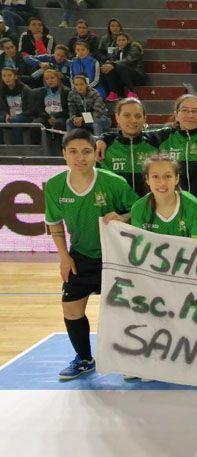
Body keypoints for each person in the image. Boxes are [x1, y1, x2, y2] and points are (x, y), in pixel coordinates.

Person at [44, 128, 138, 380]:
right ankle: (84, 359)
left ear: (95, 153)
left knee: (124, 310)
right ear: (64, 154)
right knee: (71, 309)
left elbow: (138, 212)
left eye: (86, 151)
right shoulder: (54, 186)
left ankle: (131, 361)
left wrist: (123, 217)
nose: (80, 157)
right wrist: (64, 256)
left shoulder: (114, 182)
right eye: (73, 152)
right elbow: (54, 223)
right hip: (80, 256)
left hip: (116, 258)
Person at [131, 153, 197, 238]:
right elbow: (139, 245)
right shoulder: (138, 209)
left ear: (176, 178)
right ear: (147, 179)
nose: (162, 182)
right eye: (155, 176)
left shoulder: (193, 207)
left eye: (168, 176)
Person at [99, 97, 159, 197]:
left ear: (144, 119)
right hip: (115, 212)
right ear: (117, 117)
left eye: (138, 116)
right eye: (127, 115)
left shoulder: (156, 142)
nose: (133, 120)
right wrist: (101, 139)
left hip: (148, 209)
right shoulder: (102, 149)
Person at [99, 32, 145, 100]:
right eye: (119, 40)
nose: (121, 42)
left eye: (123, 40)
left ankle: (132, 92)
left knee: (119, 66)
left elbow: (128, 60)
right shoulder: (116, 51)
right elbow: (111, 61)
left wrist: (113, 64)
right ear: (116, 42)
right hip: (122, 77)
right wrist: (107, 65)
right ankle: (114, 93)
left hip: (136, 76)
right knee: (108, 68)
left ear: (128, 41)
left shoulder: (134, 48)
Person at [0, 66, 37, 144]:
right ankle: (1, 147)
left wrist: (17, 116)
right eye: (4, 76)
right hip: (10, 115)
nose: (7, 78)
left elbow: (31, 110)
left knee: (15, 120)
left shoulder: (25, 89)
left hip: (26, 116)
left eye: (9, 75)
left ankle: (18, 148)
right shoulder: (1, 90)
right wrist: (5, 114)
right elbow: (2, 107)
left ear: (15, 76)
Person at [36, 68, 69, 153]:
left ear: (58, 78)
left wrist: (55, 116)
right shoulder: (43, 91)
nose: (50, 80)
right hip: (47, 116)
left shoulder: (66, 91)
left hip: (61, 116)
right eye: (47, 78)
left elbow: (68, 109)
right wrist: (47, 117)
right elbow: (38, 108)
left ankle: (61, 149)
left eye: (52, 78)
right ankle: (39, 150)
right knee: (37, 123)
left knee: (58, 123)